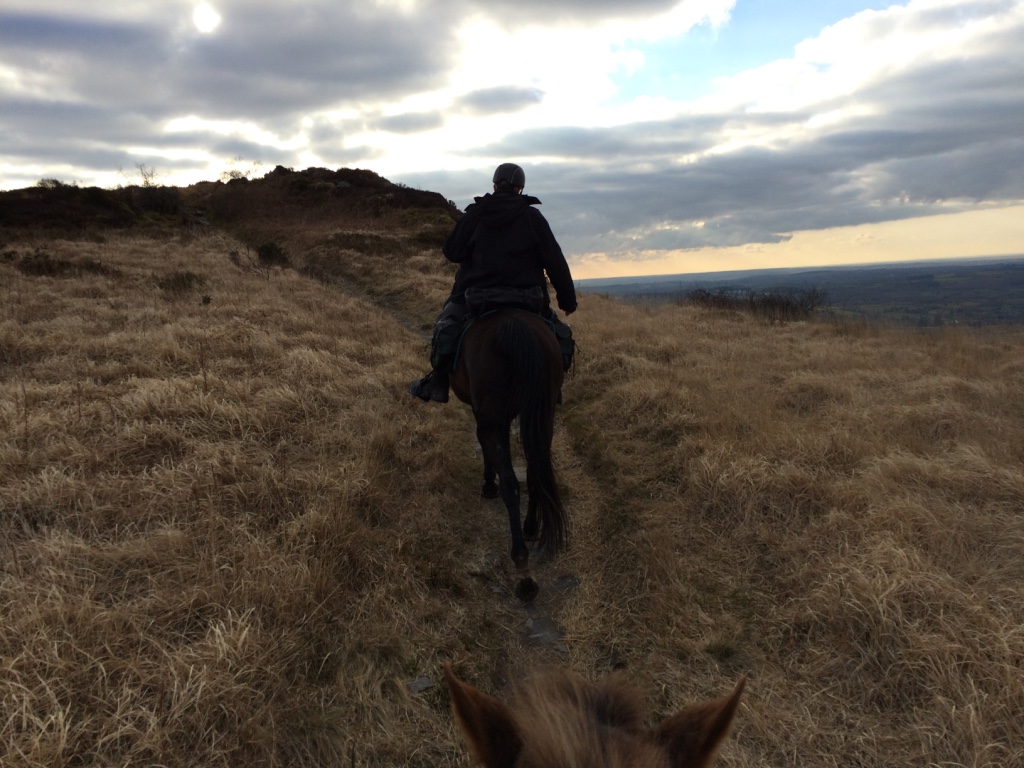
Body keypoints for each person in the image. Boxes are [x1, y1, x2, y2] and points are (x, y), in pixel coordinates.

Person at [409, 163, 578, 403]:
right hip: (528, 299)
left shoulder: (475, 215)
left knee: (445, 328)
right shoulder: (533, 217)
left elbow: (452, 252)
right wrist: (567, 301)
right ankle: (553, 387)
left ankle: (438, 382)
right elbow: (555, 261)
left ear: (495, 185)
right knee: (560, 337)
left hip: (476, 298)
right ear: (520, 187)